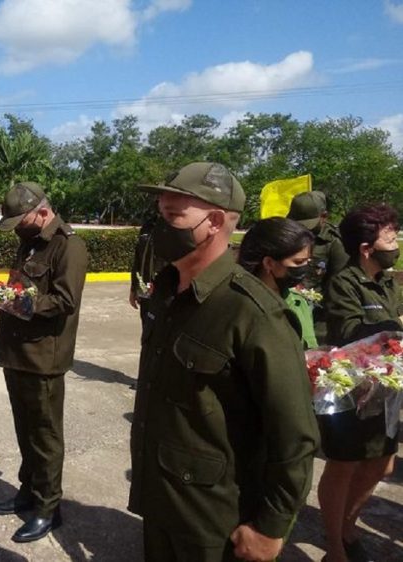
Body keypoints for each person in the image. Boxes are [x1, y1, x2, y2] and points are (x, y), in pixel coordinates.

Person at [130, 162, 318, 562]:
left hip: (214, 523)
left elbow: (294, 435)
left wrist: (270, 526)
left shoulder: (252, 314)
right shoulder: (165, 291)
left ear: (215, 222)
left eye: (172, 216)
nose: (160, 227)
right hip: (160, 500)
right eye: (159, 214)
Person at [0, 182, 87, 543]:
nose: (18, 228)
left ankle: (48, 508)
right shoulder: (29, 240)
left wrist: (16, 302)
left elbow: (63, 301)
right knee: (25, 430)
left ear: (41, 211)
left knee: (45, 436)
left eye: (21, 221)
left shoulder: (69, 246)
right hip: (16, 352)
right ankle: (28, 492)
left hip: (44, 358)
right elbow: (18, 287)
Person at [316, 204, 401, 562]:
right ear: (366, 248)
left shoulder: (386, 281)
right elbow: (350, 332)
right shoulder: (344, 282)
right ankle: (335, 547)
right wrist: (395, 332)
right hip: (349, 390)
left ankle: (349, 525)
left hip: (383, 389)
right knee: (344, 465)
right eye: (390, 237)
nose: (396, 242)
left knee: (383, 463)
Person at [238, 217, 318, 349]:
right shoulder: (243, 307)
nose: (305, 267)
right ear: (269, 263)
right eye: (298, 262)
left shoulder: (298, 302)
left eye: (307, 261)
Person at [287, 191, 349, 343]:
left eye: (309, 224)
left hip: (319, 316)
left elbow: (338, 288)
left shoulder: (335, 244)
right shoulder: (286, 234)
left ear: (324, 216)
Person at [129, 203, 167, 323]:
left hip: (166, 292)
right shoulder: (147, 226)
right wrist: (133, 289)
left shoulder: (177, 228)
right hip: (145, 289)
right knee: (147, 330)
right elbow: (138, 261)